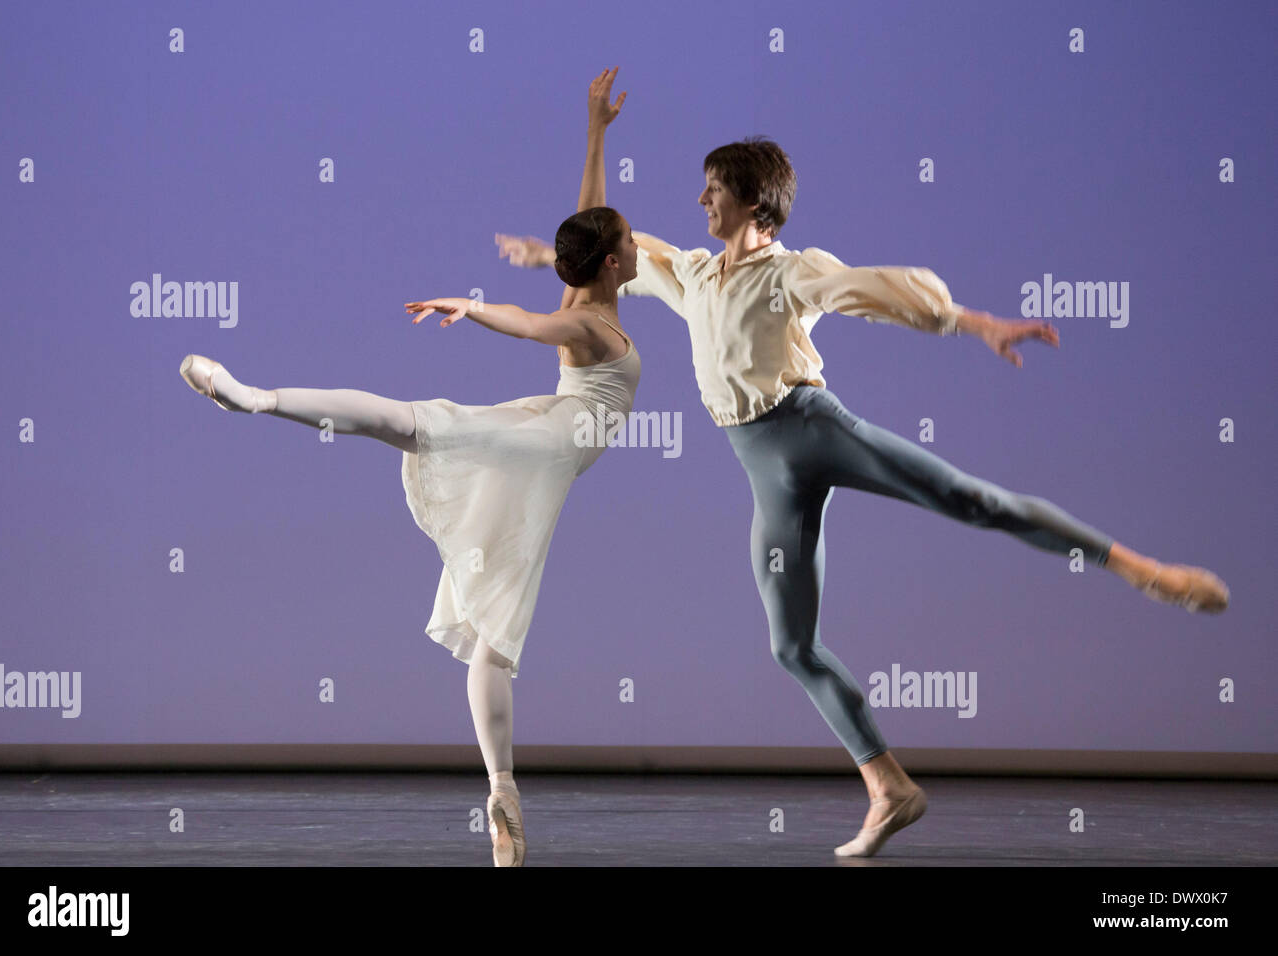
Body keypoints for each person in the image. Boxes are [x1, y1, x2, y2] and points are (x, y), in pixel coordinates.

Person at [495, 133, 1229, 858]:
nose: (700, 199)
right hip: (764, 468)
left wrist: (975, 323)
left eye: (714, 188)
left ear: (755, 206)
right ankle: (889, 787)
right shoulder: (691, 274)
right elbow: (617, 249)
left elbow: (876, 291)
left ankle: (1143, 570)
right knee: (792, 646)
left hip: (813, 431)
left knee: (971, 500)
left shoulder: (789, 272)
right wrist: (546, 250)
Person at [179, 68, 638, 866]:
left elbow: (582, 219)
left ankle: (503, 793)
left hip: (544, 440)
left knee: (489, 624)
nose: (641, 245)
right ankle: (253, 398)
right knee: (418, 429)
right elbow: (530, 323)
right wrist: (474, 308)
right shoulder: (587, 322)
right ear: (607, 263)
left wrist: (597, 131)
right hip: (548, 444)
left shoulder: (593, 293)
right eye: (629, 241)